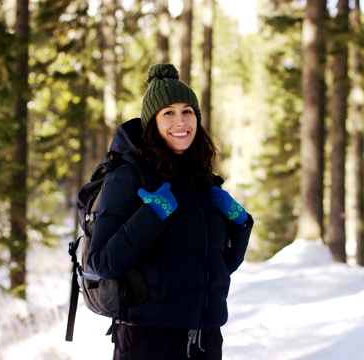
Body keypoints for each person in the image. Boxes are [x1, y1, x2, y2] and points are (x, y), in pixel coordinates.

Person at [88, 63, 254, 360]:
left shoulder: (202, 180)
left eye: (187, 111)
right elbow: (102, 261)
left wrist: (242, 224)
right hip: (149, 338)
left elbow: (218, 267)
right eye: (168, 113)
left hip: (205, 338)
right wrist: (153, 213)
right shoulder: (129, 176)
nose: (181, 121)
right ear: (152, 122)